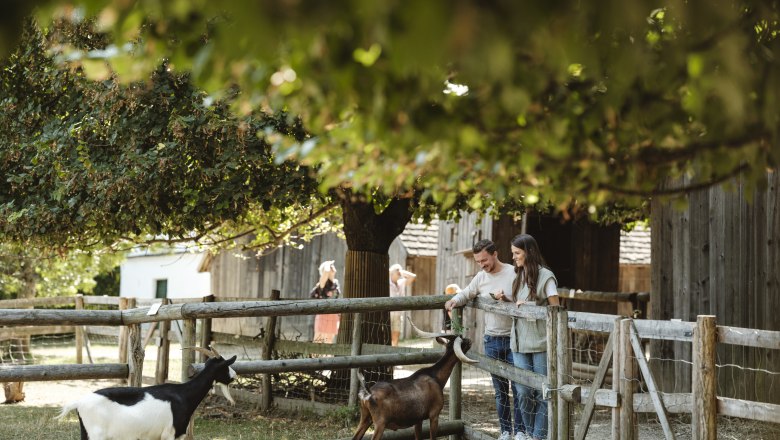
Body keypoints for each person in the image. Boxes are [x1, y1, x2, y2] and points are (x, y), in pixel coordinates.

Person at [444, 239, 522, 440]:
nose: (482, 265)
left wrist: (507, 299)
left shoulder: (514, 273)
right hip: (492, 340)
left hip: (514, 338)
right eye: (478, 261)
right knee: (500, 390)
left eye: (484, 260)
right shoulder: (480, 277)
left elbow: (525, 300)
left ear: (495, 254)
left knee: (520, 388)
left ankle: (521, 431)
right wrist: (454, 300)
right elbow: (467, 293)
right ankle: (506, 431)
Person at [509, 234, 560, 440]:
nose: (514, 257)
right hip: (519, 342)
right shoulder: (518, 275)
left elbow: (555, 308)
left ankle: (537, 436)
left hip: (540, 342)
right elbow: (520, 301)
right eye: (513, 253)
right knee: (522, 391)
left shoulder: (546, 276)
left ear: (529, 252)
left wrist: (529, 307)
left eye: (517, 253)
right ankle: (531, 433)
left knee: (541, 392)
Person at [310, 260, 341, 342]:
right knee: (319, 339)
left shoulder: (336, 283)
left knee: (329, 340)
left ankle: (327, 355)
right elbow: (326, 272)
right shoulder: (323, 283)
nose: (333, 267)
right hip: (323, 313)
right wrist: (327, 265)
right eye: (331, 266)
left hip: (334, 315)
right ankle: (315, 355)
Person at [389, 263, 416, 346]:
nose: (398, 273)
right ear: (391, 272)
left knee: (396, 333)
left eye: (399, 271)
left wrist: (402, 271)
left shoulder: (401, 283)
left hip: (398, 313)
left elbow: (413, 277)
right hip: (388, 313)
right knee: (388, 333)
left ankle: (394, 350)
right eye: (396, 271)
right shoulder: (387, 283)